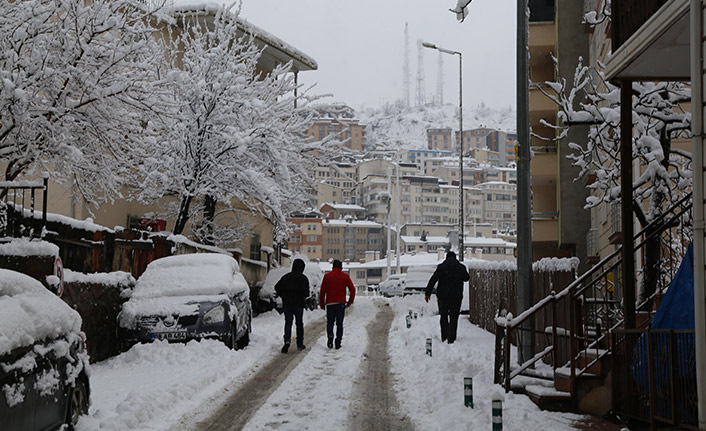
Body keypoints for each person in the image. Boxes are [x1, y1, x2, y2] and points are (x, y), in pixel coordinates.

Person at [425, 251, 470, 344]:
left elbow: (433, 279)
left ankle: (444, 336)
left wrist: (427, 293)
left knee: (443, 316)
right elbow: (467, 278)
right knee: (454, 317)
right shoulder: (461, 267)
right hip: (456, 296)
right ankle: (451, 338)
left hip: (443, 296)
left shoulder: (441, 267)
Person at [275, 259, 310, 353]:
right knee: (299, 323)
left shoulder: (286, 277)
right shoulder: (303, 278)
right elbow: (307, 293)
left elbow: (277, 287)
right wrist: (302, 296)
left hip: (287, 304)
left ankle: (287, 340)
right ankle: (299, 343)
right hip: (299, 304)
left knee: (288, 323)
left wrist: (284, 295)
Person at [319, 259, 355, 349]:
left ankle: (330, 336)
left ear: (333, 267)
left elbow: (322, 291)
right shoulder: (345, 276)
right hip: (340, 303)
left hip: (330, 303)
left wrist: (322, 303)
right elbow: (352, 289)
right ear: (341, 267)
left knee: (330, 322)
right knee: (339, 324)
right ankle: (338, 342)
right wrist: (350, 301)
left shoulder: (327, 276)